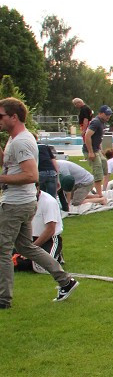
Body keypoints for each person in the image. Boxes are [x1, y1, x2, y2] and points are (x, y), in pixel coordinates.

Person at [0, 97, 79, 308]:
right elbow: (10, 164)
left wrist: (1, 179)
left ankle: (3, 300)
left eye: (1, 116)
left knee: (3, 250)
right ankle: (66, 281)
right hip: (22, 202)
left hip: (16, 204)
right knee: (25, 247)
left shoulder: (22, 141)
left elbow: (31, 175)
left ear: (14, 117)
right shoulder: (14, 140)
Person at [13, 185, 64, 272]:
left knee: (42, 267)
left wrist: (31, 249)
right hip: (28, 238)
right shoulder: (21, 200)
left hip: (49, 239)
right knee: (7, 257)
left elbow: (50, 230)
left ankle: (57, 256)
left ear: (37, 188)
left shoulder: (48, 201)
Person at [82, 105, 112, 197]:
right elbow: (87, 136)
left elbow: (97, 138)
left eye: (109, 114)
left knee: (104, 165)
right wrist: (91, 152)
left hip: (96, 149)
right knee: (98, 171)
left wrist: (100, 149)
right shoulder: (96, 122)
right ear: (100, 113)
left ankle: (95, 188)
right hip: (90, 150)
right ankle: (99, 195)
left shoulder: (102, 122)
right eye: (106, 114)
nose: (108, 116)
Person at [36, 135, 60, 200]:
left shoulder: (32, 147)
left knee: (41, 196)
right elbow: (53, 161)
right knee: (52, 197)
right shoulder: (45, 147)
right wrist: (58, 178)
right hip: (51, 172)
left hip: (40, 171)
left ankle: (42, 209)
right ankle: (54, 209)